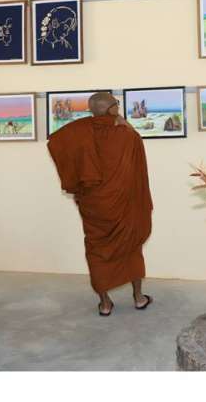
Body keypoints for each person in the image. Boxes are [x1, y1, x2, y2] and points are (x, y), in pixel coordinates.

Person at [47, 92, 153, 316]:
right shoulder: (127, 135)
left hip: (94, 206)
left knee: (97, 251)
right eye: (116, 104)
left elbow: (55, 142)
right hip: (123, 205)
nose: (118, 107)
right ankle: (138, 298)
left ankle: (105, 304)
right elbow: (137, 168)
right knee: (131, 248)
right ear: (111, 108)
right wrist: (125, 124)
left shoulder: (80, 131)